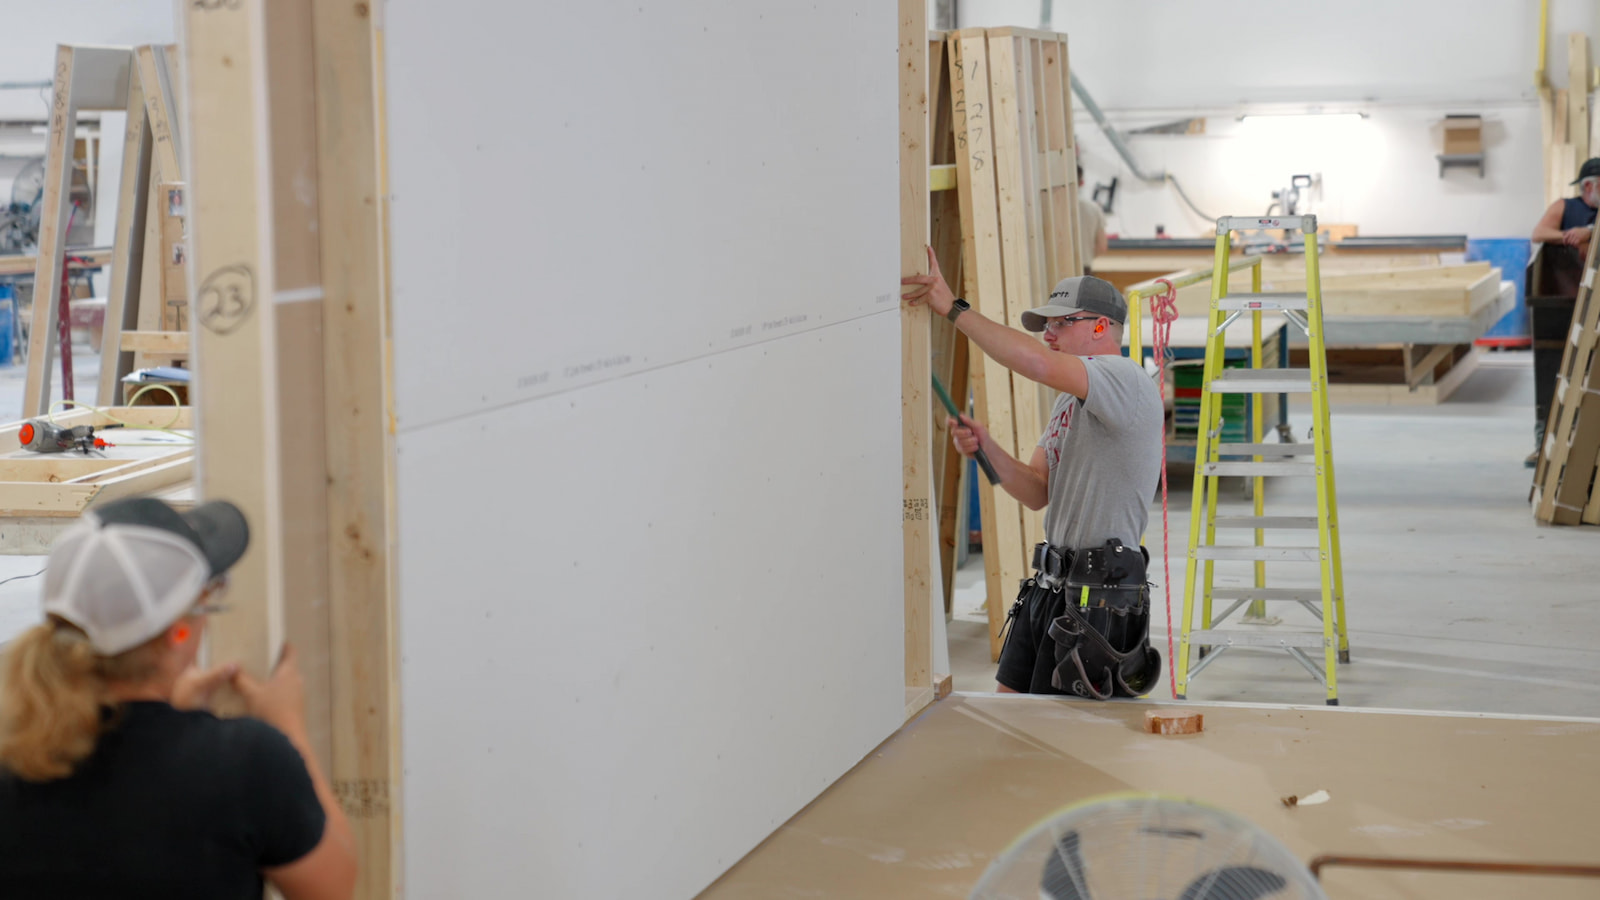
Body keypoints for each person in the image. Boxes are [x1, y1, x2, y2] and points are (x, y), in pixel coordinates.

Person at [0, 497, 357, 900]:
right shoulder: (244, 763)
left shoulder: (16, 750)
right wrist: (290, 727)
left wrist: (172, 720)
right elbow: (334, 886)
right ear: (178, 633)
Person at [903, 249, 1163, 697]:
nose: (1048, 334)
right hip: (1051, 587)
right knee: (1012, 713)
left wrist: (953, 308)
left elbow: (1036, 365)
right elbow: (1037, 490)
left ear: (1101, 327)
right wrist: (988, 449)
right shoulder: (1071, 401)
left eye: (1061, 323)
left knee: (1065, 740)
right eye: (1045, 325)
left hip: (1099, 600)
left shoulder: (1124, 379)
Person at [1531, 157, 1600, 298]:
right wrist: (1573, 236)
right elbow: (1538, 233)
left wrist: (1589, 232)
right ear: (1588, 186)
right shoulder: (1565, 206)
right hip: (1570, 289)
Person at [1077, 165, 1109, 275]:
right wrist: (1087, 256)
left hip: (1054, 272)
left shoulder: (1050, 208)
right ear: (1082, 183)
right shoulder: (1093, 208)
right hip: (1084, 269)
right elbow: (1102, 246)